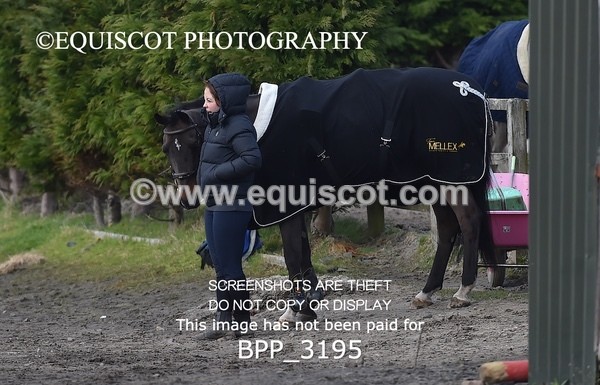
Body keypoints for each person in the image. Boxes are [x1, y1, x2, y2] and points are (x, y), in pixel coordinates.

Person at [198, 73, 262, 339]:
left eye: (209, 100)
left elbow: (252, 159)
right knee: (220, 266)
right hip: (214, 204)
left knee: (231, 267)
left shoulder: (239, 126)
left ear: (224, 101)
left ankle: (243, 322)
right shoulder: (215, 125)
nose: (205, 105)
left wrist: (216, 174)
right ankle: (223, 319)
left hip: (232, 205)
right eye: (205, 100)